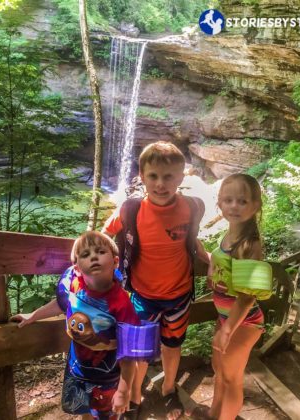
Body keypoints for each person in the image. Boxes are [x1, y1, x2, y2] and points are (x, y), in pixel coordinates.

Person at [103, 141, 208, 420]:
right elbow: (105, 236)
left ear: (181, 177)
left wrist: (211, 261)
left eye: (168, 176)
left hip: (179, 295)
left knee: (172, 347)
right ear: (142, 175)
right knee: (137, 353)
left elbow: (190, 240)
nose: (161, 184)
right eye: (153, 176)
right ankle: (135, 396)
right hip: (141, 296)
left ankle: (168, 389)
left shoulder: (192, 208)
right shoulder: (131, 210)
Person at [11, 231, 148, 420]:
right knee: (84, 410)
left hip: (107, 375)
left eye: (100, 251)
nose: (93, 256)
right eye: (85, 254)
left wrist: (124, 391)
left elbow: (128, 355)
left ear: (115, 262)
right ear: (76, 268)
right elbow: (61, 304)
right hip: (78, 368)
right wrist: (33, 316)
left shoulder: (121, 303)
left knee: (107, 415)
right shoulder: (75, 285)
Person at [193, 173, 272, 420]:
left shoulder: (250, 245)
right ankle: (215, 414)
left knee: (231, 378)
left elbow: (247, 296)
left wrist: (227, 330)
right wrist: (205, 256)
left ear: (255, 206)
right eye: (228, 200)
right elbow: (226, 267)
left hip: (243, 322)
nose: (234, 206)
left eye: (242, 201)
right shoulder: (228, 236)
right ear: (220, 203)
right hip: (226, 318)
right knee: (220, 371)